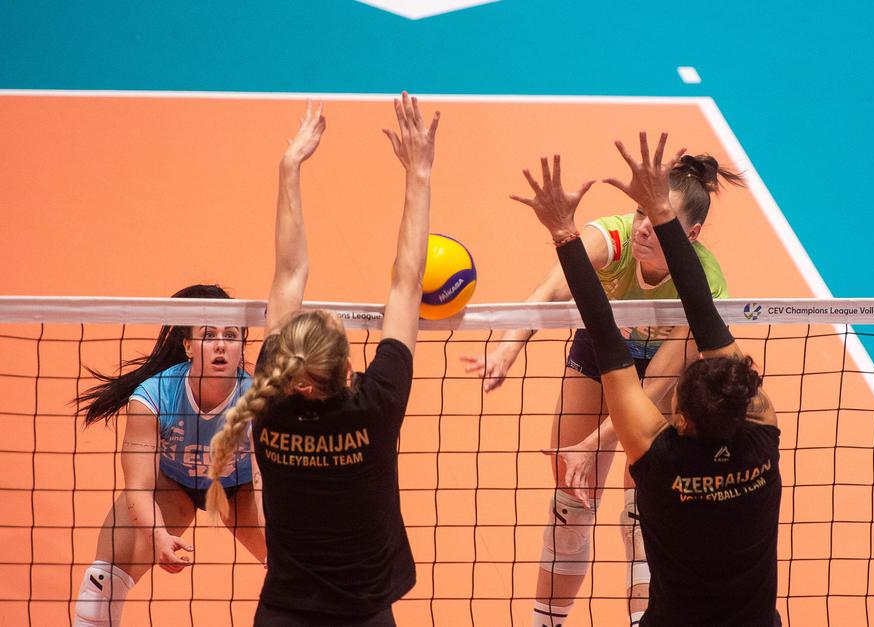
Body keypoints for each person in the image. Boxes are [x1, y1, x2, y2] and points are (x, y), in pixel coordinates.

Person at [467, 142, 742, 624]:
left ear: (692, 234)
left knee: (644, 514)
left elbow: (655, 388)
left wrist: (592, 444)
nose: (643, 226)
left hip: (661, 376)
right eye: (640, 212)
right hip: (601, 353)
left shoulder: (705, 281)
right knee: (571, 507)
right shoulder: (612, 238)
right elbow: (549, 290)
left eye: (658, 219)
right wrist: (507, 350)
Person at [206, 92, 439, 627]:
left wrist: (289, 166)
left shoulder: (267, 404)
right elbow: (407, 284)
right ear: (347, 371)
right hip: (365, 614)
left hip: (283, 612)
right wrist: (419, 173)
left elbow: (289, 273)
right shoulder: (375, 408)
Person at [73, 284, 266, 627]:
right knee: (100, 585)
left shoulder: (259, 400)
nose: (221, 344)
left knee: (301, 568)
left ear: (242, 345)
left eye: (231, 335)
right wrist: (158, 535)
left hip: (241, 490)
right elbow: (138, 486)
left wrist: (279, 545)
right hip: (173, 486)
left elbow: (263, 480)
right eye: (208, 335)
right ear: (188, 346)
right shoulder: (153, 396)